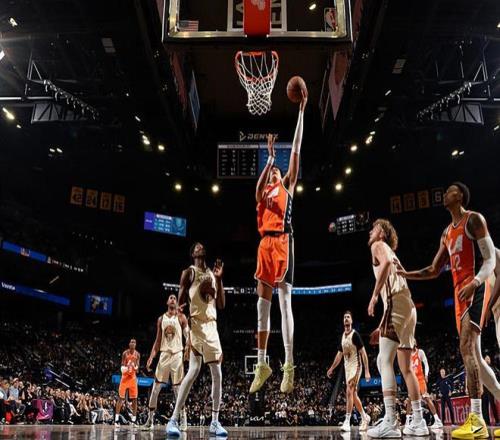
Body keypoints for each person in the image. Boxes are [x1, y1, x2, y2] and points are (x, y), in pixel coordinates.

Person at [397, 182, 500, 439]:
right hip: (458, 293)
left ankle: (477, 420)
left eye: (450, 190)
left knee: (467, 347)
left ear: (460, 196)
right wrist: (406, 274)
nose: (445, 193)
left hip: (476, 285)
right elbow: (434, 270)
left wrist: (476, 282)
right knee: (475, 357)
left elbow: (491, 259)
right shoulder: (446, 233)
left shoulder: (473, 220)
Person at [250, 87, 308, 395]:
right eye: (272, 170)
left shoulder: (287, 184)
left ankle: (288, 364)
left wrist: (301, 111)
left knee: (285, 304)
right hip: (265, 245)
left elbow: (297, 147)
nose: (274, 173)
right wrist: (269, 159)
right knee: (262, 307)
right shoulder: (264, 191)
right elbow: (257, 190)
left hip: (284, 241)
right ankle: (262, 364)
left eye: (275, 170)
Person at [366, 219, 429, 437]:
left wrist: (374, 296)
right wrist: (381, 325)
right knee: (406, 367)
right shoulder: (392, 252)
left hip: (396, 304)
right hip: (408, 308)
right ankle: (419, 421)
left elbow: (384, 266)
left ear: (382, 233)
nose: (371, 231)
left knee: (383, 360)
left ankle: (391, 421)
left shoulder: (378, 245)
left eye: (374, 228)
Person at [166, 243, 227, 437]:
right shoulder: (189, 273)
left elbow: (221, 304)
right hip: (197, 325)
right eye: (197, 247)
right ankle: (173, 419)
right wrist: (185, 328)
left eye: (202, 246)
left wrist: (219, 279)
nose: (201, 247)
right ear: (193, 253)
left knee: (217, 373)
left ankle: (215, 422)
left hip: (212, 326)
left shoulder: (212, 273)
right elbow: (180, 303)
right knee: (193, 371)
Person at [145, 294, 189, 430]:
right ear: (167, 302)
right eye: (170, 297)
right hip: (164, 354)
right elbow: (158, 341)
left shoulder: (181, 317)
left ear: (176, 303)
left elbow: (188, 336)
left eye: (175, 298)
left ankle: (183, 418)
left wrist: (188, 348)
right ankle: (150, 420)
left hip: (177, 354)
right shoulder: (161, 319)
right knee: (155, 389)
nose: (173, 299)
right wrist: (151, 356)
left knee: (177, 389)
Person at [327, 310, 371, 431]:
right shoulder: (342, 336)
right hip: (347, 367)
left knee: (349, 390)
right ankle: (364, 417)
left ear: (351, 321)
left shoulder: (355, 335)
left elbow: (364, 353)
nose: (346, 318)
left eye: (348, 317)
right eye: (345, 317)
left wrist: (367, 371)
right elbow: (339, 355)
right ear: (343, 321)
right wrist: (332, 368)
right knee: (353, 394)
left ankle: (347, 421)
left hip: (356, 366)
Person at [405, 344, 443, 429]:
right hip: (412, 379)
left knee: (426, 398)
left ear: (415, 343)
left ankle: (437, 420)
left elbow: (426, 363)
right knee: (410, 399)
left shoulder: (420, 352)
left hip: (420, 379)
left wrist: (426, 374)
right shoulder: (408, 355)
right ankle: (407, 420)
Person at [115, 338, 140, 426]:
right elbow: (122, 365)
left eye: (134, 342)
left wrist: (136, 367)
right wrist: (124, 368)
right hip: (125, 378)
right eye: (131, 342)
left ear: (135, 344)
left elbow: (137, 368)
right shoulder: (125, 353)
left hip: (132, 378)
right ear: (129, 344)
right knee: (120, 398)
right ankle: (116, 419)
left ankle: (134, 420)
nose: (133, 343)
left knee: (135, 399)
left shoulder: (137, 354)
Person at [482, 355, 498, 426]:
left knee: (492, 404)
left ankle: (497, 421)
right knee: (484, 405)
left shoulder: (493, 368)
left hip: (491, 388)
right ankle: (486, 422)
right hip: (484, 388)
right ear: (484, 361)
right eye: (486, 359)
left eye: (489, 359)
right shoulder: (482, 369)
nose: (488, 360)